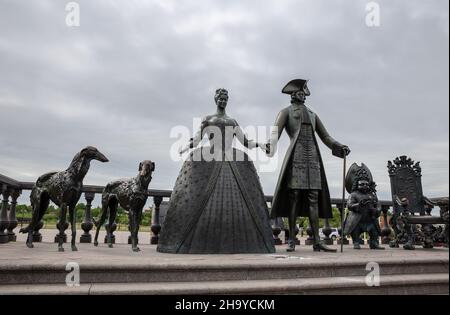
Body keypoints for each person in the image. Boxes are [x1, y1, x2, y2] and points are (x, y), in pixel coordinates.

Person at [157, 89, 275, 254]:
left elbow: (245, 142)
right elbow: (197, 139)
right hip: (209, 158)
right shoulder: (208, 119)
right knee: (196, 198)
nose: (223, 100)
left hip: (232, 160)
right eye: (220, 98)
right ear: (215, 100)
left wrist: (261, 145)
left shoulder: (232, 121)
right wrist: (185, 147)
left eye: (225, 98)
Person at [267, 79, 350, 252]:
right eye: (300, 91)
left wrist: (339, 146)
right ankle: (291, 239)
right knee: (294, 197)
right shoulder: (285, 112)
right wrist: (269, 144)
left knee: (314, 198)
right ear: (293, 94)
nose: (303, 94)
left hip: (312, 158)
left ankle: (317, 242)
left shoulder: (312, 114)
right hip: (296, 158)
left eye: (304, 92)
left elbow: (325, 137)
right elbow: (275, 132)